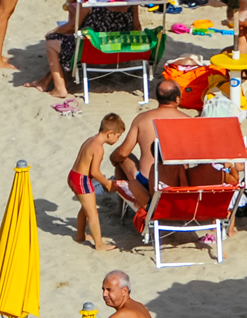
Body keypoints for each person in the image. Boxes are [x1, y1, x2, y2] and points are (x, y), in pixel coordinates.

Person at [109, 79, 191, 208]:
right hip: (179, 184)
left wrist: (113, 158)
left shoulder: (143, 118)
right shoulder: (189, 122)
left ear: (157, 98)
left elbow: (123, 153)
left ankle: (122, 210)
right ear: (177, 99)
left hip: (146, 182)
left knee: (122, 159)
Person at [68, 113, 125, 251]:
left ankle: (80, 236)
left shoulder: (91, 140)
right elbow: (94, 171)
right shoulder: (99, 148)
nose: (118, 139)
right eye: (118, 136)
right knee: (93, 213)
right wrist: (107, 183)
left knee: (85, 208)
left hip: (73, 175)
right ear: (110, 133)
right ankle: (99, 244)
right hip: (82, 180)